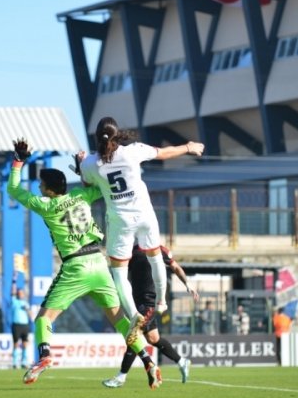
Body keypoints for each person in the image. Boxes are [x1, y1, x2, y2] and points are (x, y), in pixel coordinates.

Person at [7, 139, 162, 389]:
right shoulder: (81, 195)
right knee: (121, 321)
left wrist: (18, 161)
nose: (39, 187)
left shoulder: (45, 205)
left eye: (41, 185)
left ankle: (45, 356)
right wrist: (84, 170)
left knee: (43, 319)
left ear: (47, 190)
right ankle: (148, 362)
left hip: (76, 266)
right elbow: (102, 186)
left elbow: (14, 190)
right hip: (99, 264)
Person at [78, 116, 204, 332]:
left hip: (120, 221)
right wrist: (188, 147)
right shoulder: (132, 151)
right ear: (116, 135)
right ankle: (162, 302)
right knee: (155, 257)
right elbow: (164, 153)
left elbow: (87, 182)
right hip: (144, 214)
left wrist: (81, 163)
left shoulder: (90, 163)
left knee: (119, 272)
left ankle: (134, 314)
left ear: (97, 137)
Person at [103, 244, 199, 388]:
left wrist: (187, 284)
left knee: (134, 335)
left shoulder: (159, 250)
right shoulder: (130, 250)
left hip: (150, 302)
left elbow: (176, 267)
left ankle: (121, 376)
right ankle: (181, 361)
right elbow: (120, 272)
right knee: (153, 338)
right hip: (136, 301)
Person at [10, 284, 33, 369]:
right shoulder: (14, 301)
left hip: (25, 325)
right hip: (16, 325)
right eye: (19, 293)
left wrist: (27, 310)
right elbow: (12, 292)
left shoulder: (26, 303)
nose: (20, 294)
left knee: (25, 344)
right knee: (16, 343)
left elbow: (31, 315)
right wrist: (14, 282)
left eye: (21, 293)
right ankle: (15, 362)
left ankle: (24, 362)